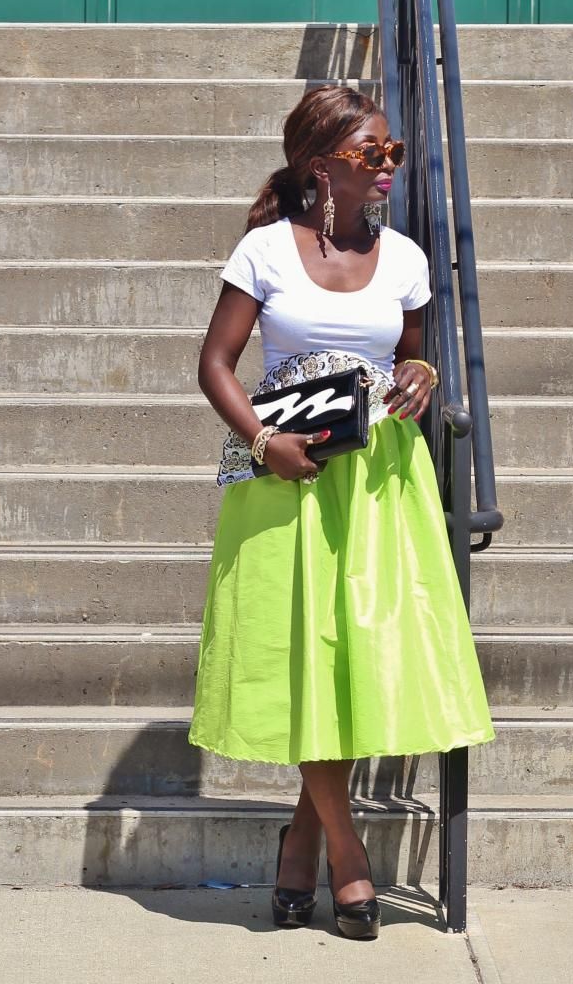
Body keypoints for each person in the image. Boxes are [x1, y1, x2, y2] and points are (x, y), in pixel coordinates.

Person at [188, 85, 495, 940]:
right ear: (319, 163)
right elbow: (215, 363)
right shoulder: (264, 250)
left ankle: (299, 844)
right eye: (372, 152)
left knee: (350, 655)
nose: (388, 164)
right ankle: (347, 857)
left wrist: (423, 376)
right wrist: (259, 442)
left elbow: (411, 357)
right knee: (304, 652)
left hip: (378, 481)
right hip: (283, 471)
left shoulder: (404, 258)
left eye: (392, 151)